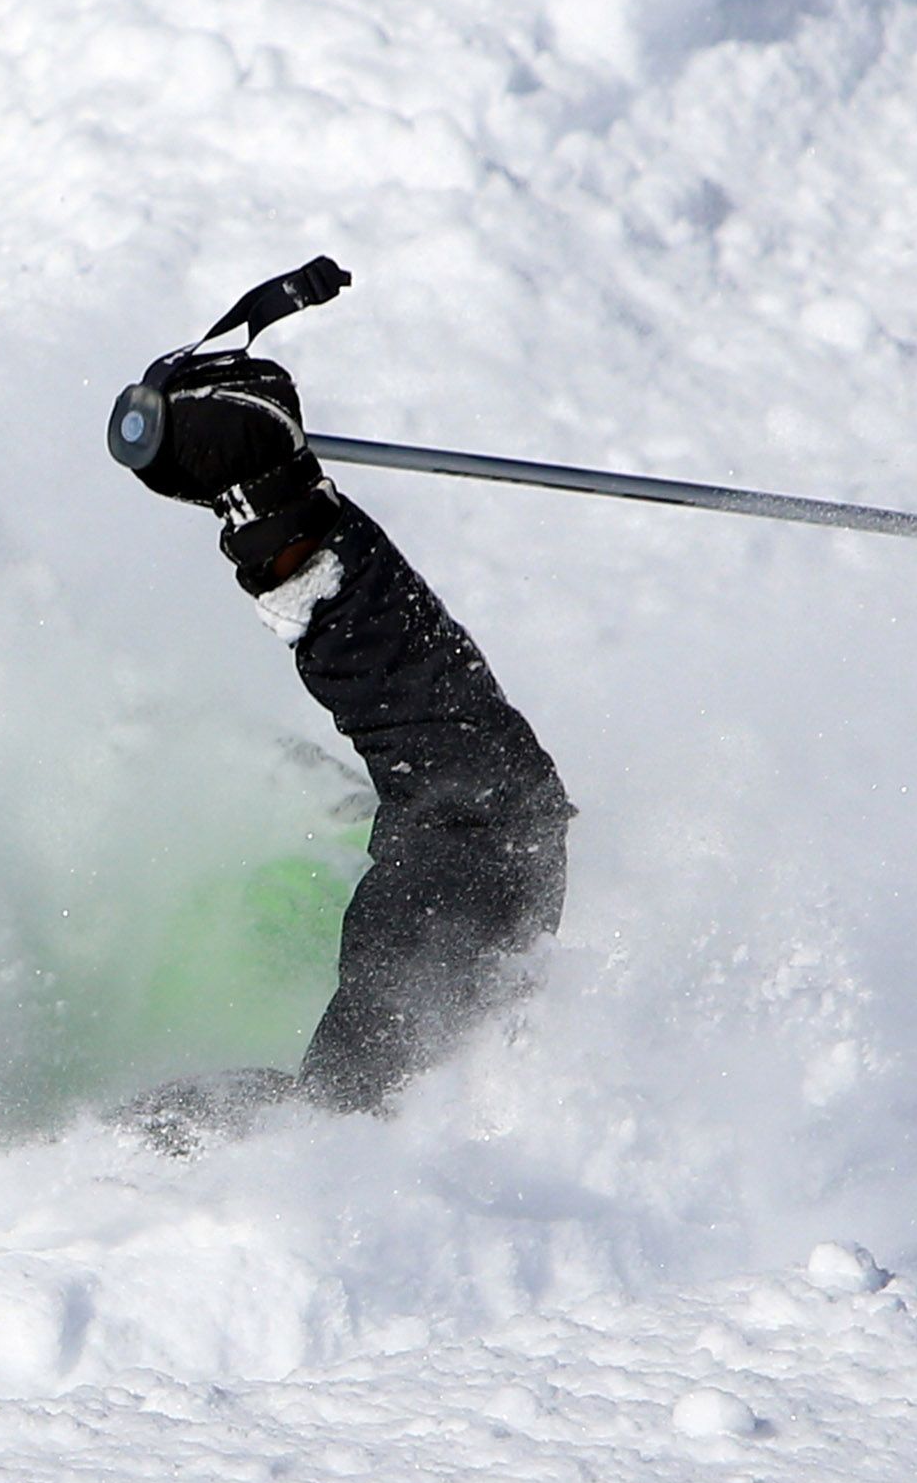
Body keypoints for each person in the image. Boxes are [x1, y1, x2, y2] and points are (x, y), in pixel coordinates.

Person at [108, 260, 572, 1147]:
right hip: (462, 843)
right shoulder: (369, 1141)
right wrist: (269, 507)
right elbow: (475, 784)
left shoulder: (346, 1132)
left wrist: (268, 508)